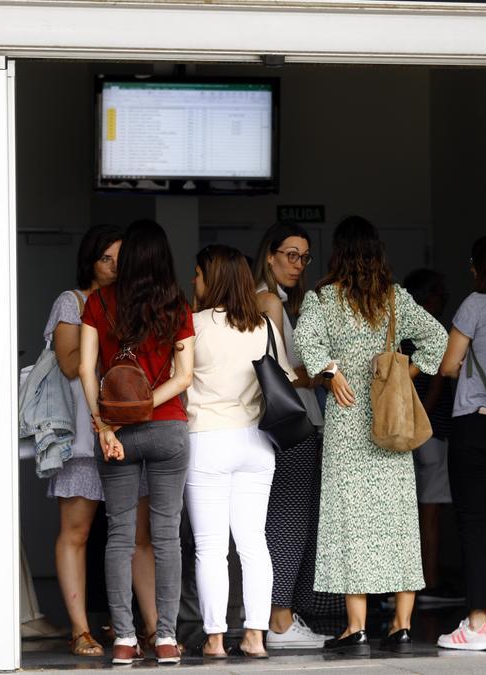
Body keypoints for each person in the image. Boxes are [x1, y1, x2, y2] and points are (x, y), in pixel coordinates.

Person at [294, 216, 447, 655]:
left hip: (347, 425)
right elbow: (436, 337)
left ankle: (355, 627)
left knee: (348, 525)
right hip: (390, 424)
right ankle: (401, 625)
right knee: (398, 524)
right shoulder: (395, 298)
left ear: (338, 253)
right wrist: (406, 373)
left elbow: (308, 344)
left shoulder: (323, 299)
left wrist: (332, 372)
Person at [32, 224, 160, 654]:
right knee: (78, 532)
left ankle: (154, 628)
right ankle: (80, 629)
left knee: (137, 537)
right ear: (90, 260)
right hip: (86, 438)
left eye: (122, 259)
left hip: (130, 435)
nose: (114, 267)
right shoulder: (73, 302)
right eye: (106, 258)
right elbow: (71, 365)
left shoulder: (137, 303)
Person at [78, 219, 195, 666]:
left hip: (116, 436)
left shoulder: (99, 302)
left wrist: (107, 424)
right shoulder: (176, 306)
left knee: (120, 537)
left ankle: (125, 639)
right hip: (168, 430)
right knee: (166, 537)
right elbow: (185, 376)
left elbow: (87, 370)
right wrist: (147, 406)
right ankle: (165, 638)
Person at [183, 245, 284, 659]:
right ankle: (255, 636)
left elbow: (178, 378)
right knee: (253, 543)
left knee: (210, 547)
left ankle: (214, 639)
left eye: (198, 275)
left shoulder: (194, 325)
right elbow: (287, 377)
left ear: (213, 279)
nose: (193, 281)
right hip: (256, 443)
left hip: (207, 439)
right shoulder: (263, 326)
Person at [252, 222, 339, 649]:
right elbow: (280, 371)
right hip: (292, 426)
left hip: (291, 424)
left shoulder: (281, 302)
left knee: (289, 521)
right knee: (289, 521)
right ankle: (280, 620)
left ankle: (279, 614)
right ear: (269, 255)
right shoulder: (267, 301)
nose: (298, 264)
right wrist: (325, 372)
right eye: (290, 254)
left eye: (304, 256)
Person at [435, 234, 486, 650]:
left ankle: (477, 622)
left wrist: (465, 359)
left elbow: (448, 365)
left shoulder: (476, 304)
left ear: (482, 266)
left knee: (473, 525)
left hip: (473, 424)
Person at [401, 268, 462, 607]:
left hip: (409, 430)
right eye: (440, 292)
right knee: (431, 511)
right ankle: (430, 581)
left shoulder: (402, 335)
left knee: (412, 509)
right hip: (431, 431)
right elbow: (439, 381)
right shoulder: (432, 332)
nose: (444, 298)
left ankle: (410, 583)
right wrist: (420, 418)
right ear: (426, 298)